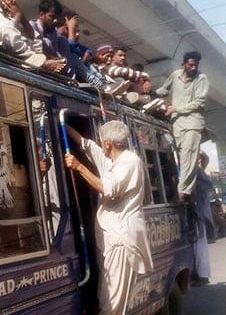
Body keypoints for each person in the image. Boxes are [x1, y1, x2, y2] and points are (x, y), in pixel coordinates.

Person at [63, 121, 153, 314]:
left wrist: (78, 167)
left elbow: (107, 188)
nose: (100, 144)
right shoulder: (112, 160)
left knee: (112, 304)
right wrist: (61, 123)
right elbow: (86, 143)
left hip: (121, 240)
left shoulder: (129, 162)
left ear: (108, 144)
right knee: (107, 294)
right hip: (111, 239)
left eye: (102, 141)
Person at [29, 0, 126, 95]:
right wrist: (71, 29)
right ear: (41, 14)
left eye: (57, 18)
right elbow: (37, 50)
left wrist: (64, 61)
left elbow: (70, 55)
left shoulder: (57, 36)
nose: (55, 21)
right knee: (74, 57)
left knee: (76, 57)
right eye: (52, 17)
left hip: (62, 74)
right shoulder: (31, 28)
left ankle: (103, 85)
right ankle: (101, 85)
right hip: (42, 71)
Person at [155, 50, 209, 199]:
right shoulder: (175, 75)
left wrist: (177, 109)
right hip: (176, 124)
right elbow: (163, 90)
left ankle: (183, 191)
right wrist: (147, 90)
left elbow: (199, 102)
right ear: (183, 64)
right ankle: (180, 189)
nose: (193, 68)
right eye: (190, 65)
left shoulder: (202, 78)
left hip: (193, 122)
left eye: (195, 66)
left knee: (188, 156)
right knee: (176, 157)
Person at [0, 0, 65, 71]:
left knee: (31, 37)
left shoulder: (10, 12)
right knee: (9, 32)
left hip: (19, 50)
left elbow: (33, 37)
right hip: (3, 47)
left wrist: (21, 16)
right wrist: (16, 17)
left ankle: (37, 60)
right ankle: (39, 62)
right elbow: (6, 33)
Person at [192, 151, 214, 287]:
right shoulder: (200, 176)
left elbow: (205, 158)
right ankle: (201, 275)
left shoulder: (198, 178)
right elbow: (206, 158)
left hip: (198, 215)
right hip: (200, 215)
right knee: (199, 246)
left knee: (199, 246)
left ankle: (203, 275)